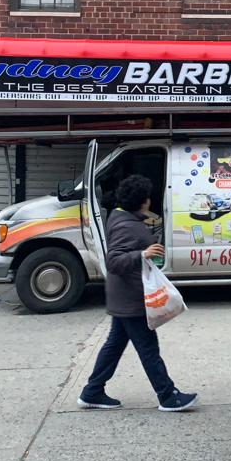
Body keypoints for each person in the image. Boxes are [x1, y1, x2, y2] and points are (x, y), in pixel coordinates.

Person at [78, 175, 198, 412]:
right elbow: (114, 261)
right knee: (148, 348)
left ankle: (92, 391)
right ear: (143, 201)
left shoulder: (121, 217)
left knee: (114, 346)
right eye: (148, 197)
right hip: (130, 298)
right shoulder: (127, 225)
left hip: (123, 296)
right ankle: (168, 396)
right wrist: (143, 254)